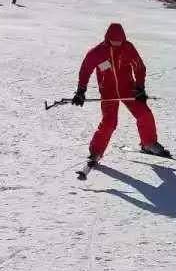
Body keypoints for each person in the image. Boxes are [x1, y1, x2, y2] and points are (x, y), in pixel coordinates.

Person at [72, 23, 170, 165]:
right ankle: (96, 151)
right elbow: (86, 69)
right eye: (114, 42)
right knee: (109, 122)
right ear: (108, 38)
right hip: (108, 91)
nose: (117, 44)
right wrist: (81, 90)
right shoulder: (98, 52)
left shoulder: (128, 48)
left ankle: (149, 143)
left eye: (119, 41)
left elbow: (139, 67)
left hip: (128, 89)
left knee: (144, 113)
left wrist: (140, 88)